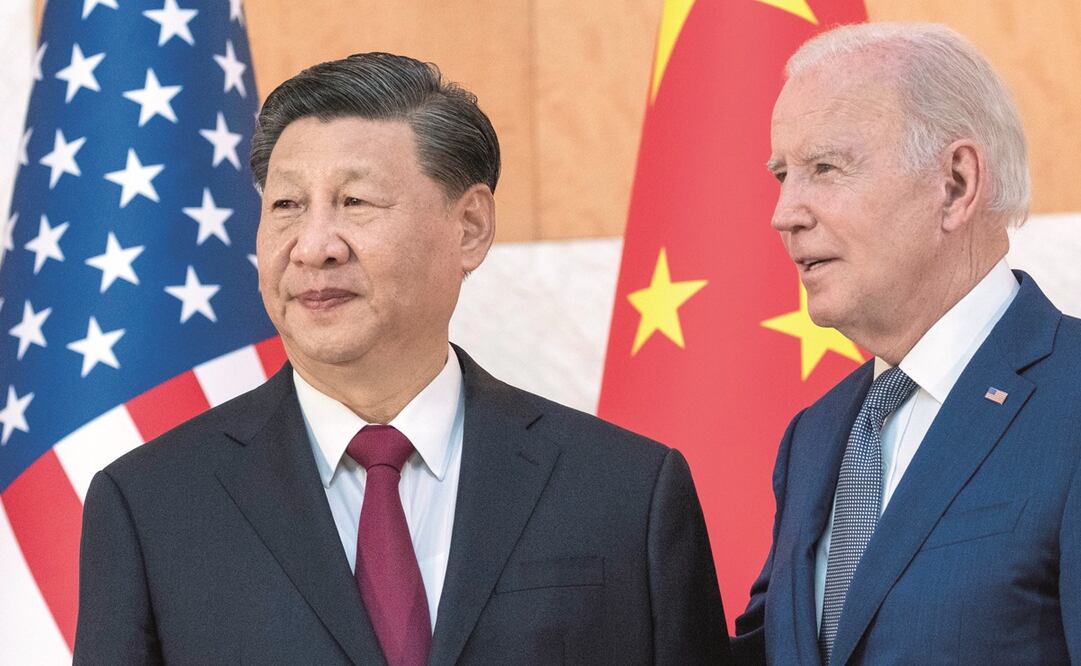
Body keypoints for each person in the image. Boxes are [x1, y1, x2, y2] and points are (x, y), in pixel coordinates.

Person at [71, 52, 729, 665]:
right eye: (287, 206)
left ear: (469, 227)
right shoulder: (150, 505)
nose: (313, 246)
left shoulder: (627, 490)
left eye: (354, 202)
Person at [732, 23, 1080, 664]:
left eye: (825, 168)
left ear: (955, 184)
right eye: (783, 174)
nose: (785, 213)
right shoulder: (815, 434)